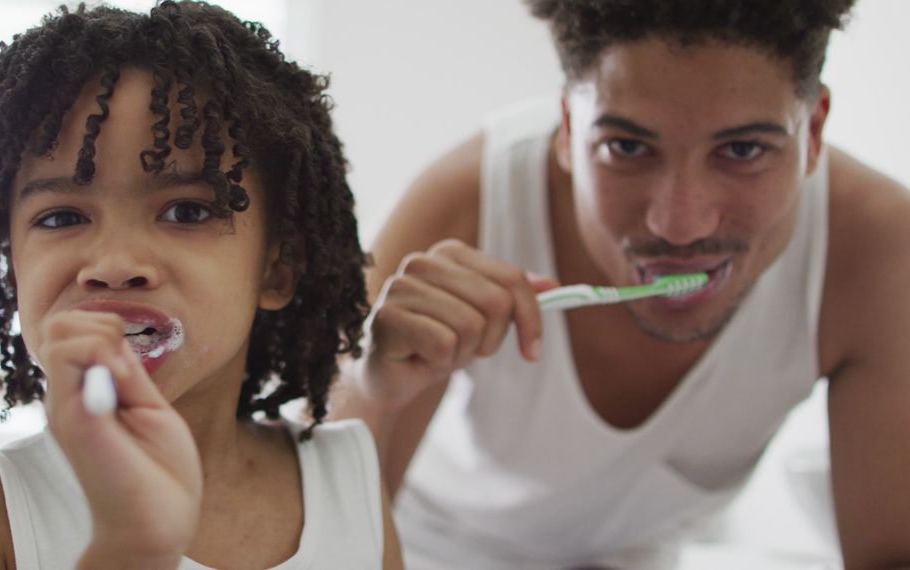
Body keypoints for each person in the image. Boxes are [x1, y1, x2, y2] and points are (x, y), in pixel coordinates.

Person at [331, 0, 910, 568]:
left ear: (812, 131)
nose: (680, 224)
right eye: (627, 148)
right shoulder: (468, 204)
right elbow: (322, 529)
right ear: (565, 128)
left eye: (743, 150)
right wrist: (368, 388)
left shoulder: (877, 250)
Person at [0, 2, 402, 568]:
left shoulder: (348, 475)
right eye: (60, 218)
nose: (115, 263)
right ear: (12, 265)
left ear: (278, 269)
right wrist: (129, 548)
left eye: (186, 212)